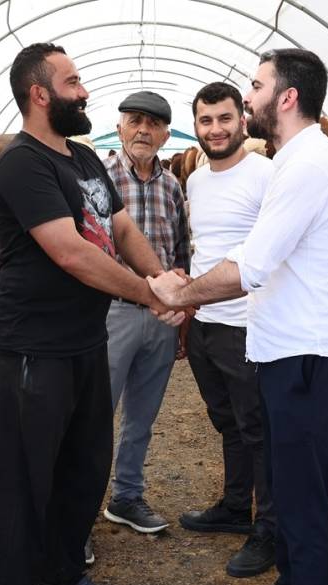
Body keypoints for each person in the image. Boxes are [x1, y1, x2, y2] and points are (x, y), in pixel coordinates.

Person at [148, 49, 328, 585]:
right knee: (290, 487)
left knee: (304, 498)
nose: (249, 97)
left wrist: (181, 295)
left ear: (286, 97)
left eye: (257, 86)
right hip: (286, 350)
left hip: (308, 356)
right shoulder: (298, 159)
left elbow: (252, 266)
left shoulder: (307, 165)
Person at [0, 42, 184, 585]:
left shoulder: (83, 159)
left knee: (84, 464)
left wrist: (161, 279)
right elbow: (72, 252)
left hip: (82, 342)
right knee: (24, 479)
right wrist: (151, 297)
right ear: (40, 94)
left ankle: (65, 577)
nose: (86, 91)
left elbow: (121, 228)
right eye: (74, 82)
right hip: (30, 350)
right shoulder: (22, 164)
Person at [178, 81, 279, 578]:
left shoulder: (267, 175)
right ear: (195, 126)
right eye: (205, 120)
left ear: (243, 120)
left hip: (248, 327)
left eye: (224, 118)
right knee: (229, 423)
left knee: (258, 430)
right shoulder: (196, 179)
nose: (215, 129)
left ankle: (269, 529)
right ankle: (236, 507)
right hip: (207, 324)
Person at [99, 91, 191, 535]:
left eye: (153, 124)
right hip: (112, 313)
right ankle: (78, 516)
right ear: (118, 128)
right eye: (134, 120)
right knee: (95, 415)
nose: (143, 130)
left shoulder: (172, 185)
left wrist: (181, 311)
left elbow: (179, 252)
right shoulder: (98, 179)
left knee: (142, 417)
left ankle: (127, 496)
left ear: (165, 135)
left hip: (161, 319)